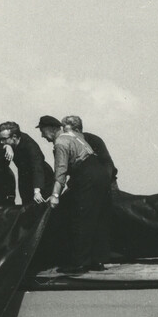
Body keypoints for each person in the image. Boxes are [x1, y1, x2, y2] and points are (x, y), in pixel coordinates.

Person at [37, 114, 113, 273]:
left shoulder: (60, 142)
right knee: (97, 217)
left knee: (81, 218)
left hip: (88, 175)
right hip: (100, 174)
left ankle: (79, 264)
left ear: (52, 129)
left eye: (43, 131)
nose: (42, 135)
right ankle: (97, 261)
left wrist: (55, 196)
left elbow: (61, 172)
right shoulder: (75, 136)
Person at [0, 123, 49, 204]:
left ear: (14, 137)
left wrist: (37, 191)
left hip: (42, 179)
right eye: (0, 139)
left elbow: (37, 166)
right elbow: (1, 164)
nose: (1, 142)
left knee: (41, 208)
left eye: (4, 139)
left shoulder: (30, 145)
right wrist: (7, 146)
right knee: (26, 206)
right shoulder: (8, 141)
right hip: (24, 178)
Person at [62, 114, 118, 185]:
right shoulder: (69, 144)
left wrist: (103, 183)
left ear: (77, 130)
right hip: (83, 183)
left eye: (67, 133)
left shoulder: (94, 140)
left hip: (105, 181)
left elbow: (107, 163)